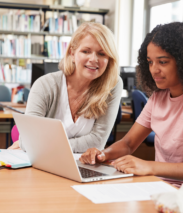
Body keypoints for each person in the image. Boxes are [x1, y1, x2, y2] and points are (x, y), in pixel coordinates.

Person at [79, 22, 183, 211]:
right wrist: (102, 154)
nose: (154, 69)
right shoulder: (158, 98)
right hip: (162, 191)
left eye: (162, 62)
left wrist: (149, 166)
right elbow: (128, 144)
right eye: (150, 62)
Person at [8, 22, 122, 153]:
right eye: (86, 51)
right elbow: (29, 141)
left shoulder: (112, 84)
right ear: (72, 53)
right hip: (42, 162)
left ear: (109, 58)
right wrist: (32, 143)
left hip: (82, 166)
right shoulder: (45, 85)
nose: (93, 59)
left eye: (102, 54)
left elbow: (98, 141)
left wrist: (46, 145)